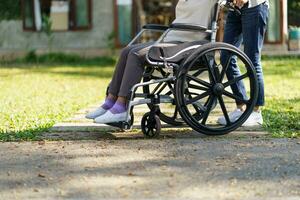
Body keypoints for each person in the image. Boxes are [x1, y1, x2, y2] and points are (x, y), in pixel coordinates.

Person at [86, 0, 217, 124]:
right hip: (172, 39)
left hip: (191, 43)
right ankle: (110, 102)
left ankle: (121, 106)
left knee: (136, 55)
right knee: (126, 51)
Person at [218, 0, 269, 126]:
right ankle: (240, 107)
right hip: (234, 8)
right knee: (226, 57)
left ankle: (256, 112)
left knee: (252, 60)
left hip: (255, 6)